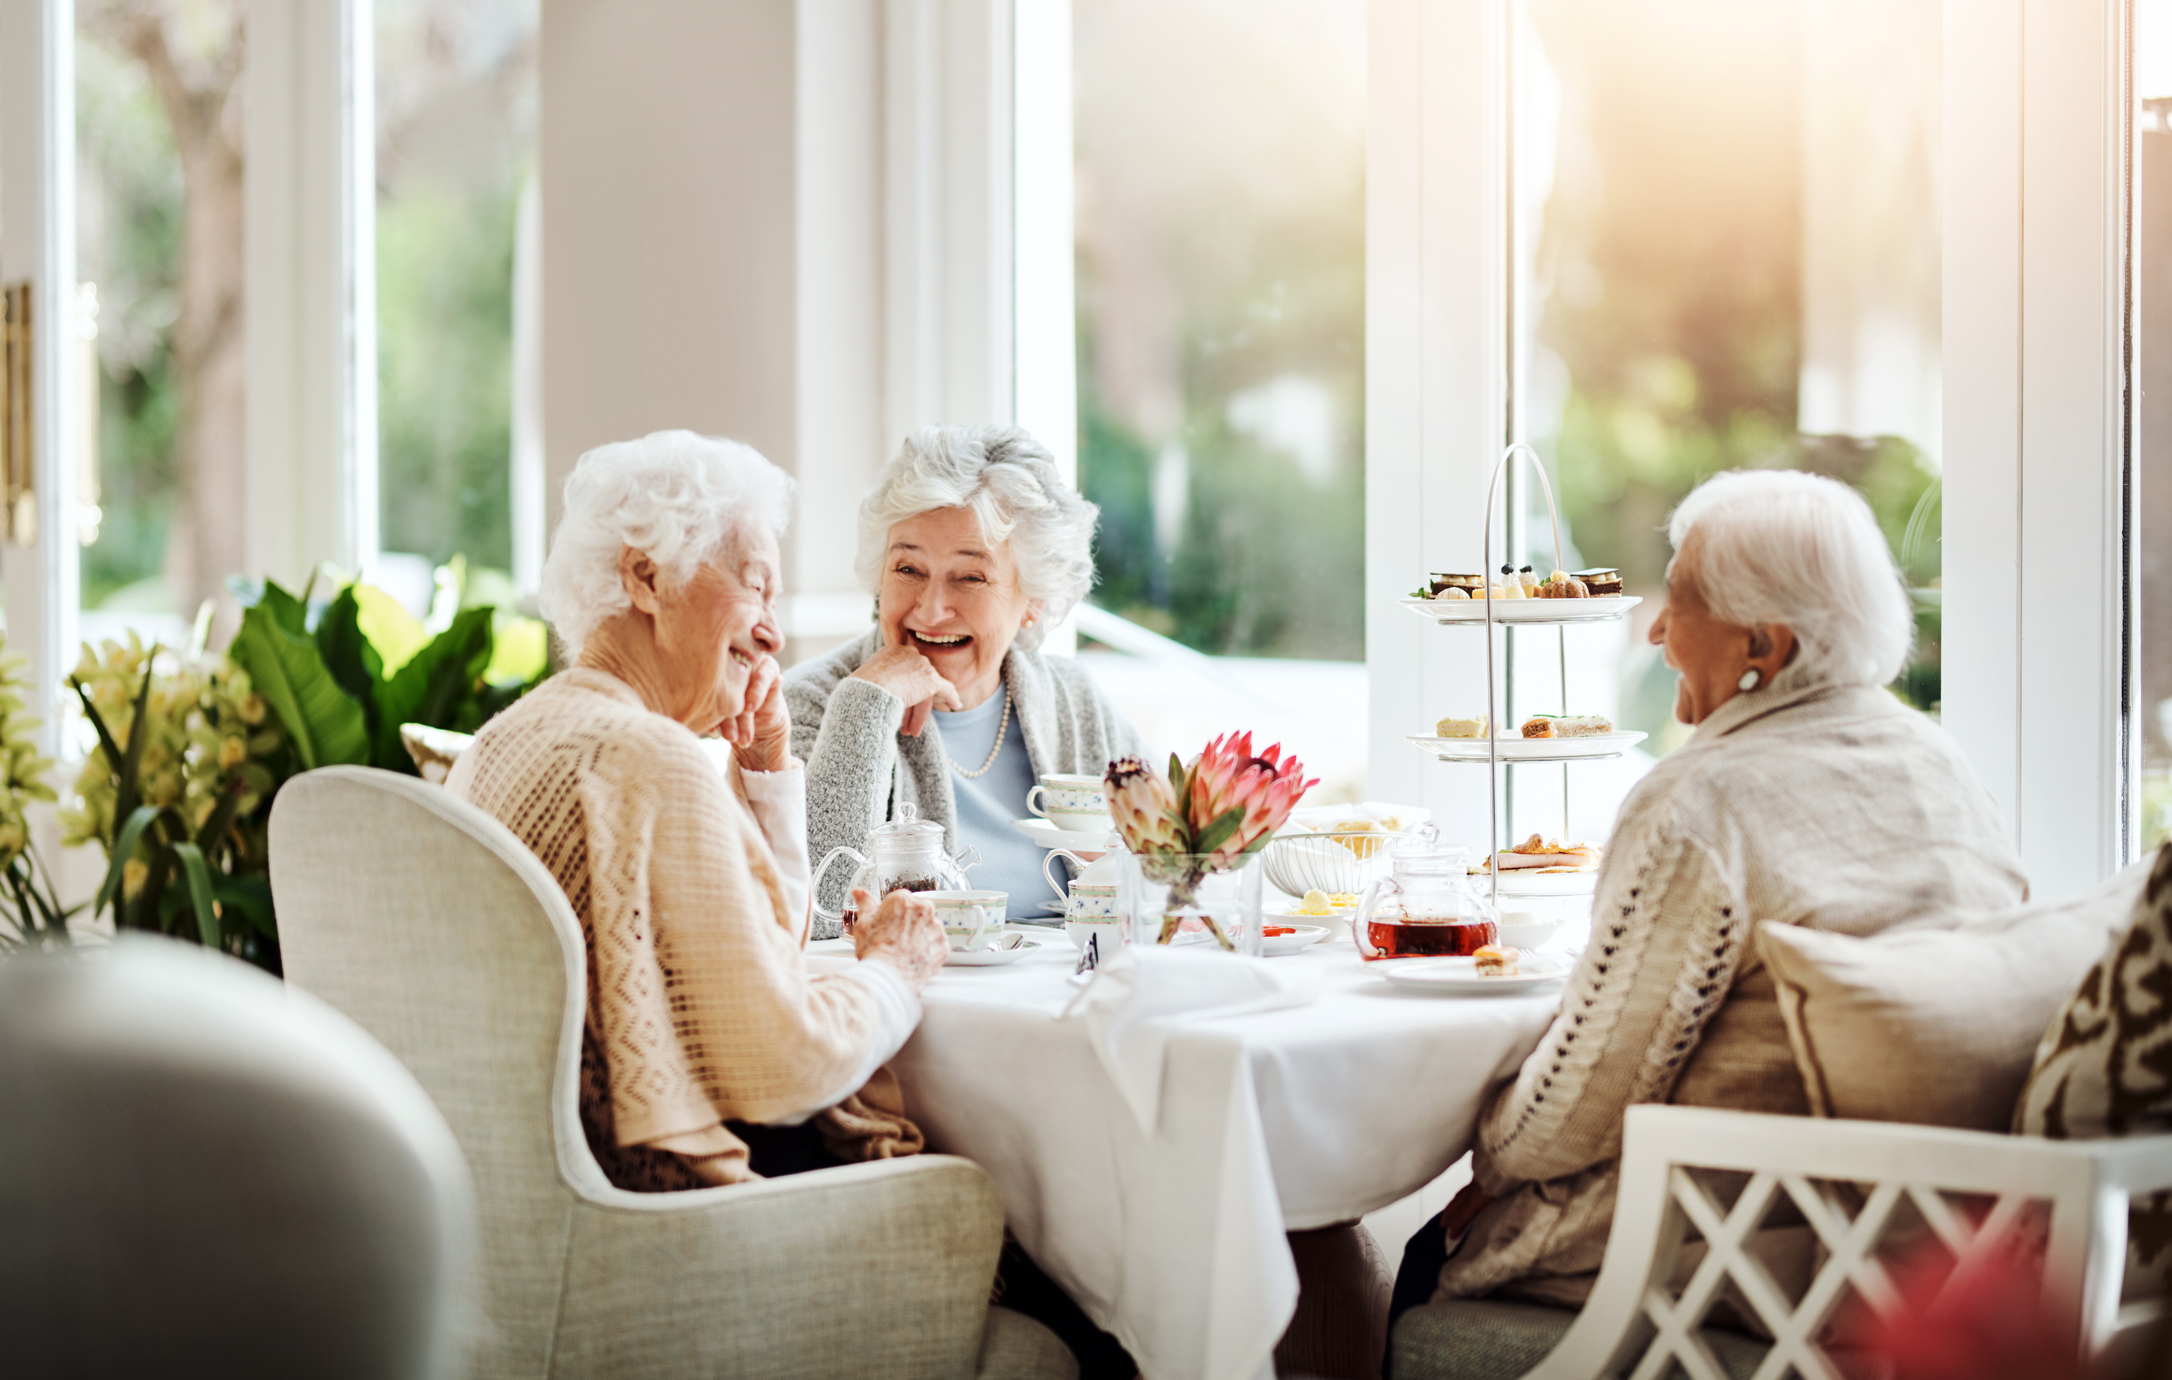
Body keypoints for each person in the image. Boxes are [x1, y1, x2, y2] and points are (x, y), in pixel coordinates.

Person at [1391, 469, 2028, 1321]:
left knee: (1415, 1256)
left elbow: (1575, 1109)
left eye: (1682, 599)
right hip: (1923, 1250)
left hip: (1725, 1247)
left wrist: (1485, 1164)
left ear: (1764, 647)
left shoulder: (1699, 801)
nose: (1654, 628)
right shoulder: (1938, 762)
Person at [447, 430, 948, 1188]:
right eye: (755, 587)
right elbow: (786, 1066)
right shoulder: (649, 760)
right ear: (646, 578)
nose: (774, 633)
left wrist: (766, 764)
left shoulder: (500, 743)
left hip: (528, 1201)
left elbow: (758, 959)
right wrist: (893, 970)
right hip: (665, 1215)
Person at [785, 424, 1148, 933]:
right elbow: (816, 914)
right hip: (908, 1007)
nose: (930, 610)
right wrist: (866, 707)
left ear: (1034, 601)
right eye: (908, 569)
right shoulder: (810, 704)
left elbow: (1171, 873)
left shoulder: (1072, 700)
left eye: (970, 576)